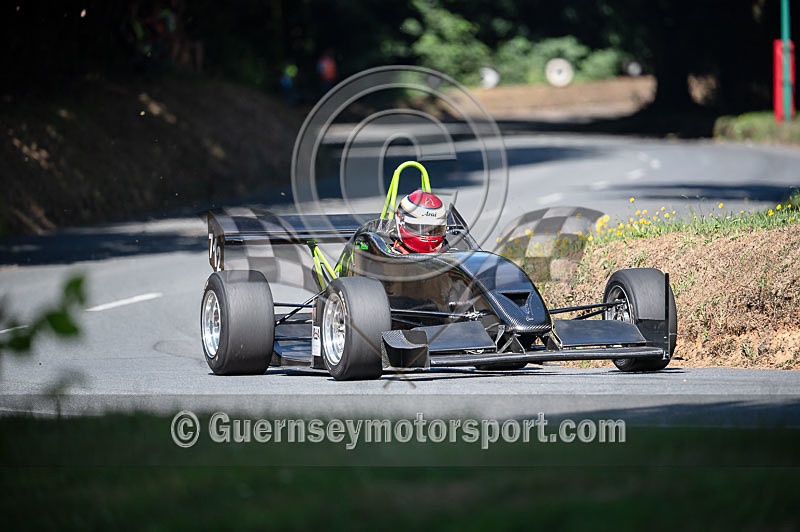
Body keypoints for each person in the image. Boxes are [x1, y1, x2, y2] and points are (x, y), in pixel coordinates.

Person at [391, 190, 447, 254]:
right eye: (421, 228)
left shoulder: (448, 252)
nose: (427, 234)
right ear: (402, 223)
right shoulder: (393, 253)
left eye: (434, 229)